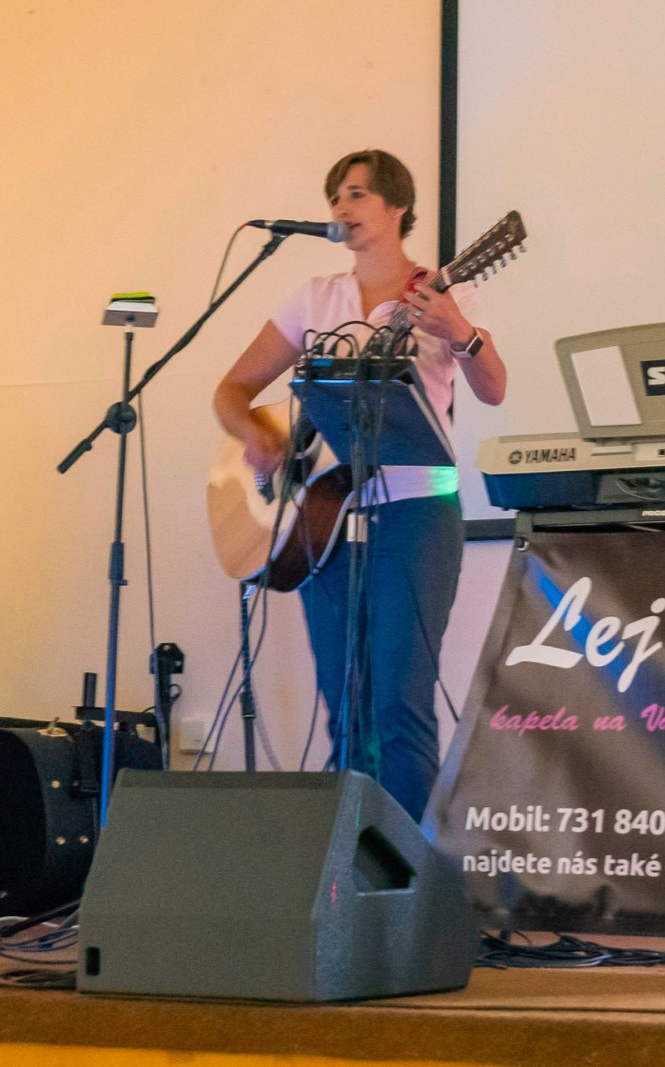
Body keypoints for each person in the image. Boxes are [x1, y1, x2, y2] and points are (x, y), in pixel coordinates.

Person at [213, 149, 507, 821]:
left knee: (399, 706)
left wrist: (459, 333)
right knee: (344, 708)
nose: (340, 208)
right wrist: (256, 435)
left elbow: (494, 389)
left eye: (356, 194)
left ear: (397, 207)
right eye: (335, 197)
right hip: (324, 523)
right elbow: (231, 390)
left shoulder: (447, 294)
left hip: (416, 514)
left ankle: (412, 874)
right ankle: (351, 867)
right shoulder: (316, 297)